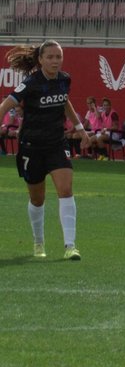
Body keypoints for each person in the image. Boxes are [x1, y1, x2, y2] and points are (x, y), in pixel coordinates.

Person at [0, 41, 85, 259]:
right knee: (37, 199)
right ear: (40, 59)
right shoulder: (30, 83)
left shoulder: (65, 80)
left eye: (59, 56)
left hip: (56, 144)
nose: (55, 61)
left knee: (65, 190)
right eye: (50, 57)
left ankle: (70, 246)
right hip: (32, 147)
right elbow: (5, 106)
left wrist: (81, 130)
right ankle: (39, 243)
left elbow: (65, 103)